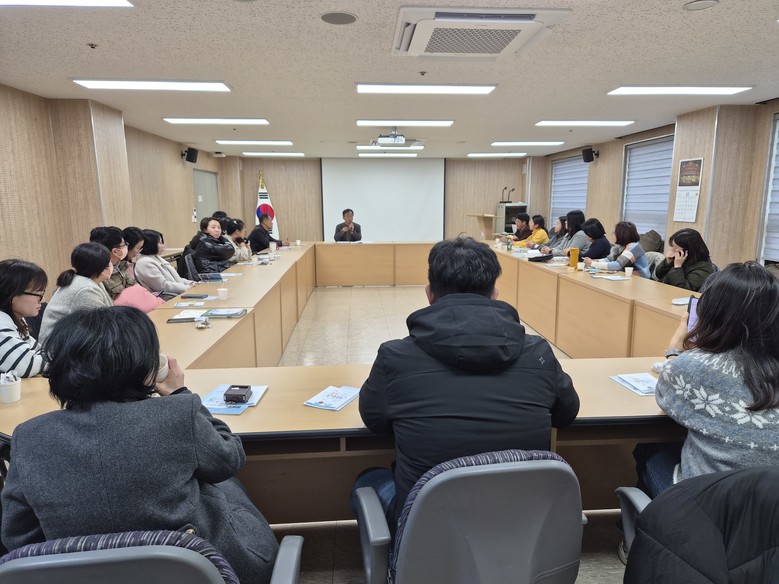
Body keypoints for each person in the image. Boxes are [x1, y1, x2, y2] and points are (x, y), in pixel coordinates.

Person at [0, 306, 279, 583]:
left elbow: (18, 535)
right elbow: (229, 459)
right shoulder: (176, 414)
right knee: (226, 485)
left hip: (77, 577)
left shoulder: (28, 436)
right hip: (208, 571)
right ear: (146, 367)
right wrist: (181, 394)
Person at [352, 236, 580, 528]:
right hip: (521, 526)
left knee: (368, 480)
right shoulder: (538, 353)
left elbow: (374, 420)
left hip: (428, 532)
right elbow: (566, 413)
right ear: (494, 293)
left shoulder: (394, 357)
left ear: (429, 294)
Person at [634, 262, 779, 498]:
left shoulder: (694, 367)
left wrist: (674, 350)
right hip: (768, 511)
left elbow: (665, 396)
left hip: (706, 507)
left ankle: (646, 520)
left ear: (710, 313)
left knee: (649, 449)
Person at [39, 242, 113, 343]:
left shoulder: (90, 281)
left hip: (71, 343)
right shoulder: (85, 290)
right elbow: (103, 326)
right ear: (102, 268)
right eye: (109, 262)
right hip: (59, 348)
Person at [0, 259, 48, 378]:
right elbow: (27, 366)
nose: (41, 299)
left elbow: (38, 351)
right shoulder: (1, 323)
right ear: (12, 295)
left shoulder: (17, 319)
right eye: (39, 293)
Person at [134, 230, 195, 300]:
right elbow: (163, 286)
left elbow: (176, 279)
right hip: (166, 299)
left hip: (177, 294)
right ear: (151, 244)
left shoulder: (156, 258)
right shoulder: (145, 263)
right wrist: (187, 287)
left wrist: (191, 283)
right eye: (160, 243)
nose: (163, 245)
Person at [584, 221, 650, 277]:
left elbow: (618, 265)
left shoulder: (634, 247)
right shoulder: (620, 246)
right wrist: (593, 261)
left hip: (641, 280)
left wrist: (593, 263)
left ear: (622, 234)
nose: (612, 235)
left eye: (614, 233)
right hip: (628, 277)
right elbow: (609, 259)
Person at [90, 226, 134, 299]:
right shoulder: (100, 276)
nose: (126, 246)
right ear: (115, 251)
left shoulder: (121, 265)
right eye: (124, 244)